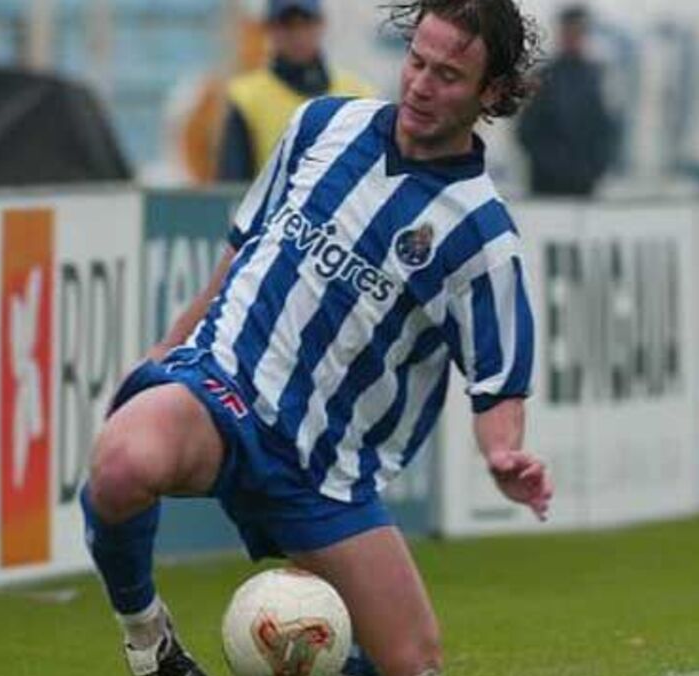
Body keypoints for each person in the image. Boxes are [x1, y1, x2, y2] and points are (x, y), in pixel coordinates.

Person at [80, 0, 552, 674]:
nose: (420, 84)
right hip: (224, 389)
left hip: (326, 470)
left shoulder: (482, 236)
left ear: (492, 92)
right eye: (416, 61)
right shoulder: (323, 124)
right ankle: (150, 644)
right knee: (121, 463)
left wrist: (504, 454)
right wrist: (167, 347)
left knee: (414, 665)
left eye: (448, 75)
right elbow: (243, 249)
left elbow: (497, 379)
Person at [215, 0, 376, 182]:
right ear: (270, 29)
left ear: (321, 25)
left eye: (305, 24)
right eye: (287, 26)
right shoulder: (245, 96)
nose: (298, 35)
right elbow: (232, 183)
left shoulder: (357, 93)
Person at [515, 4, 618, 197]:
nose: (573, 37)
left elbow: (606, 130)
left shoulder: (596, 78)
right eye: (569, 31)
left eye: (578, 32)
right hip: (546, 184)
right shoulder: (543, 78)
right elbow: (526, 132)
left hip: (584, 184)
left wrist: (595, 168)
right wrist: (552, 164)